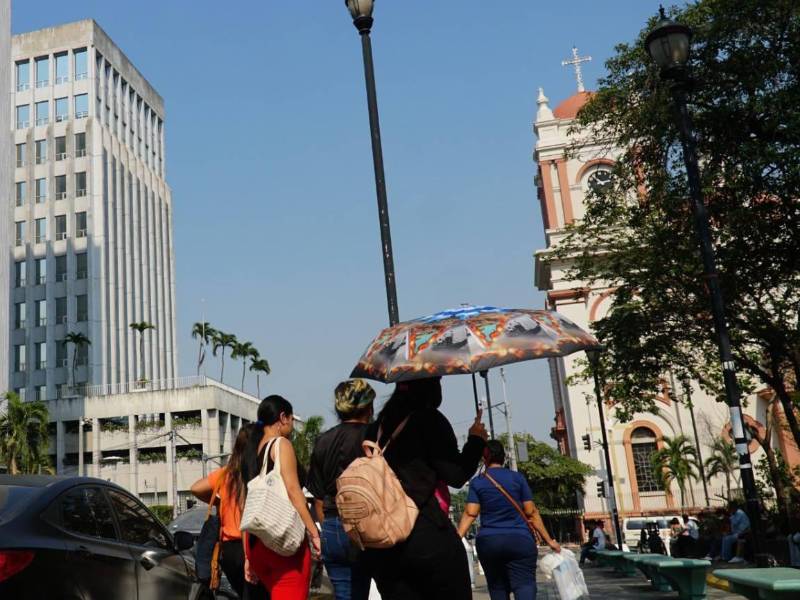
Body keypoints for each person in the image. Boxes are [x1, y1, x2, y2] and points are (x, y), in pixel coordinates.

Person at [360, 377, 488, 600]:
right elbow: (456, 475)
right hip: (425, 532)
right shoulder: (429, 420)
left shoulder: (376, 429)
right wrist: (476, 441)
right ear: (431, 387)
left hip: (384, 544)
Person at [456, 440, 561, 600]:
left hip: (489, 543)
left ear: (484, 459)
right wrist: (550, 541)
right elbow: (531, 512)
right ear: (504, 457)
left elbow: (471, 513)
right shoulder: (517, 478)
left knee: (497, 589)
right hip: (520, 541)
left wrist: (457, 539)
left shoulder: (478, 482)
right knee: (524, 585)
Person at [242, 395, 322, 600]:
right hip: (282, 542)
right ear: (283, 417)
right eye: (292, 419)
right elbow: (294, 491)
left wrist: (247, 556)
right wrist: (314, 533)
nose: (292, 426)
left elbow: (246, 504)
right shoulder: (280, 444)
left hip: (257, 544)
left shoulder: (251, 450)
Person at [307, 379, 376, 600]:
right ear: (369, 407)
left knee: (344, 594)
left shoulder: (323, 441)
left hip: (332, 526)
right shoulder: (374, 436)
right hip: (369, 525)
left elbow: (318, 498)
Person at [190, 425, 266, 600]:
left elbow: (195, 488)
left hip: (228, 550)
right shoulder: (255, 474)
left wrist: (221, 500)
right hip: (250, 545)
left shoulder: (226, 473)